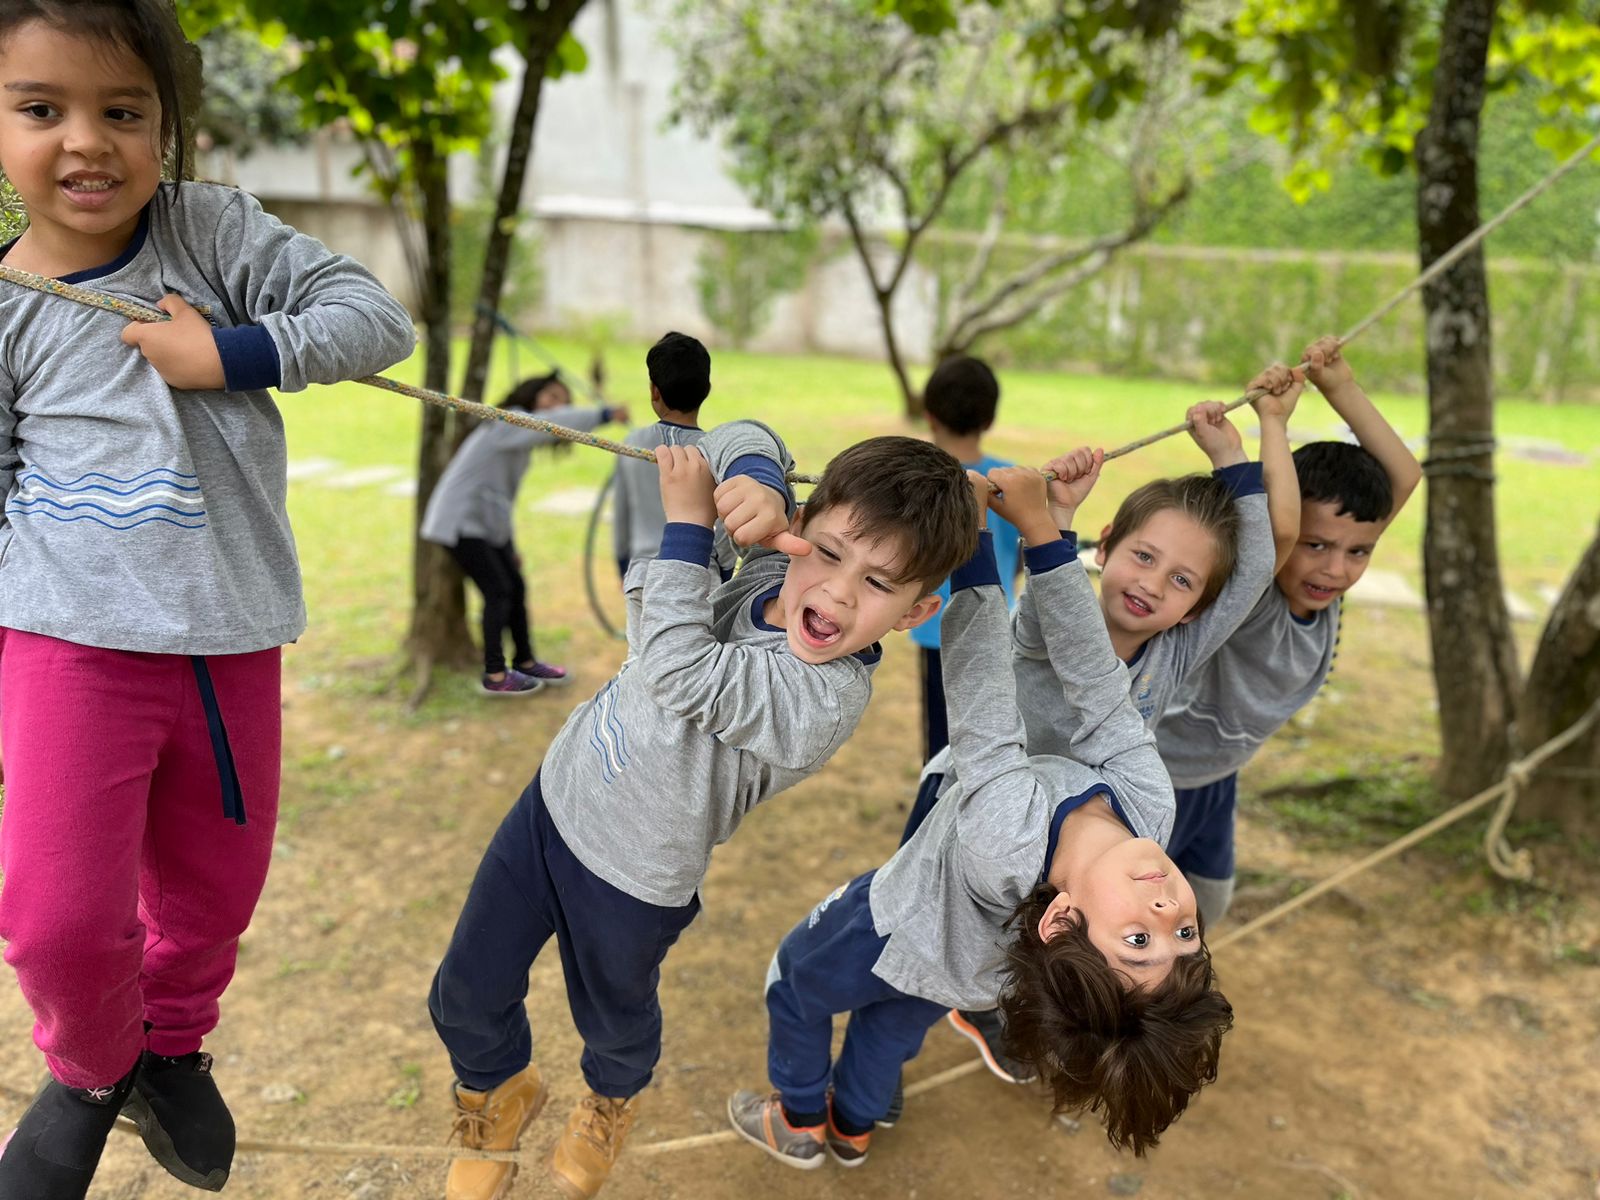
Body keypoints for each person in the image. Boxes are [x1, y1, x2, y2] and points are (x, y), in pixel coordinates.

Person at [0, 3, 417, 1196]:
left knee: (212, 892)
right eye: (42, 109)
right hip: (64, 642)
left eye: (123, 111)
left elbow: (372, 320)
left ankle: (172, 1047)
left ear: (167, 129)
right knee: (58, 923)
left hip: (231, 638)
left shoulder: (208, 228)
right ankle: (88, 1070)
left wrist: (225, 353)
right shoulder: (7, 303)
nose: (88, 142)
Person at [427, 427, 977, 1200]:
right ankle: (496, 1092)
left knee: (614, 1024)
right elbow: (714, 434)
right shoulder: (768, 569)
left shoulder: (824, 696)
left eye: (879, 584)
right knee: (464, 991)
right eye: (827, 550)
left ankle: (609, 1103)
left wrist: (687, 528)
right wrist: (757, 479)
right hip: (552, 806)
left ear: (914, 611)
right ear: (797, 530)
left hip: (636, 878)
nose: (839, 591)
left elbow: (677, 666)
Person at [727, 454, 1232, 1168]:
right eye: (1185, 929)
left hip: (893, 927)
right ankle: (854, 1129)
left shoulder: (1009, 836)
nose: (1166, 909)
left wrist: (973, 537)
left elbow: (983, 682)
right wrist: (1045, 536)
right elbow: (1097, 681)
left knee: (793, 981)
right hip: (969, 974)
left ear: (1061, 921)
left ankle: (801, 1116)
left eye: (1139, 943)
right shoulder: (1149, 812)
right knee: (889, 1034)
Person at [904, 365, 1302, 1084]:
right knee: (941, 929)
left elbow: (1254, 568)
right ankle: (949, 1007)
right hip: (972, 810)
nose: (1152, 584)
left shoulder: (1179, 647)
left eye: (1182, 580)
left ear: (1197, 604)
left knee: (1058, 940)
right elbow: (1057, 619)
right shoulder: (1052, 620)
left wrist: (1230, 458)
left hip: (1074, 855)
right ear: (1106, 546)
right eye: (1144, 558)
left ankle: (1024, 1010)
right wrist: (1051, 520)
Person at [1157, 337, 1422, 925]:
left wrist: (1341, 386)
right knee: (1121, 923)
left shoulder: (1324, 593)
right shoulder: (1257, 593)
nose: (1335, 568)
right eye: (1319, 545)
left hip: (1215, 781)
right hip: (1156, 778)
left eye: (1358, 552)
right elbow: (1276, 533)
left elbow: (1404, 475)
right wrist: (1272, 422)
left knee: (1205, 910)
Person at [420, 371, 627, 695]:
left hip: (485, 525)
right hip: (458, 522)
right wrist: (604, 414)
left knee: (515, 586)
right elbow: (555, 422)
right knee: (499, 591)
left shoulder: (517, 436)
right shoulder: (509, 421)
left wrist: (507, 543)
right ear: (532, 393)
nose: (557, 406)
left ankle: (526, 662)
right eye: (552, 396)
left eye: (563, 401)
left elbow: (499, 497)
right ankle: (495, 675)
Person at [908, 355, 1022, 761]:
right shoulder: (1010, 480)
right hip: (993, 622)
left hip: (935, 623)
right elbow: (1021, 555)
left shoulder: (916, 478)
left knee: (941, 740)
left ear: (930, 415)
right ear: (989, 419)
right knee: (987, 729)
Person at [611, 331, 736, 652]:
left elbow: (621, 517)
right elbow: (723, 526)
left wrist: (624, 568)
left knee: (643, 671)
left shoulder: (633, 443)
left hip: (643, 577)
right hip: (699, 577)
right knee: (694, 669)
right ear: (706, 390)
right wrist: (721, 571)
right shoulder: (714, 452)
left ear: (654, 391)